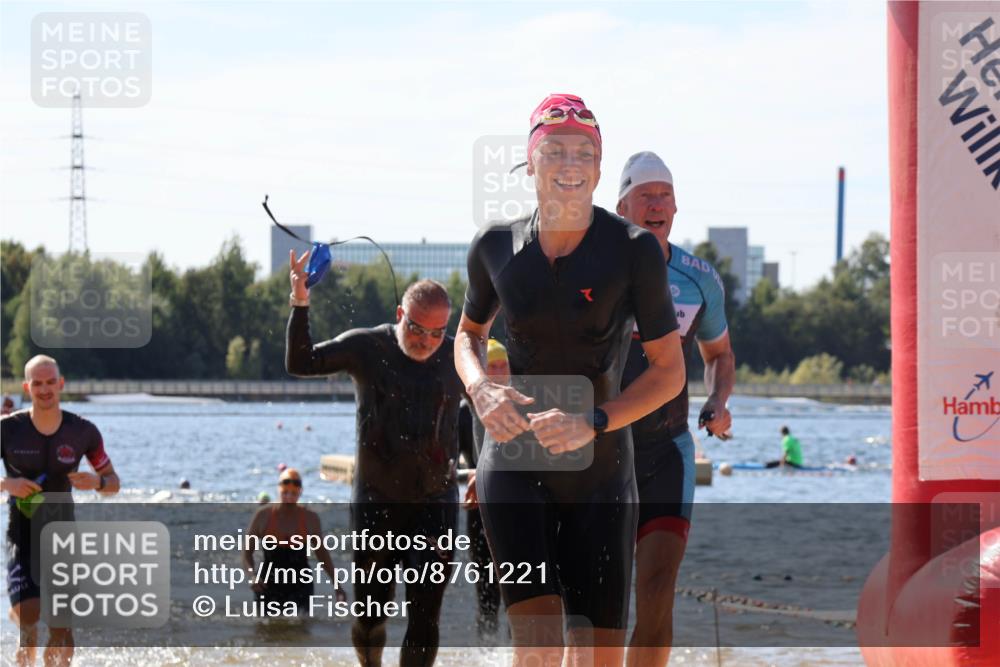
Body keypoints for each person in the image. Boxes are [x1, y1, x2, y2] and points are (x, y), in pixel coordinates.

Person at [455, 93, 686, 666]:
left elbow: (670, 373)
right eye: (554, 150)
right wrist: (481, 387)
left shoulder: (633, 253)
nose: (569, 163)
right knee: (538, 649)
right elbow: (467, 336)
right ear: (530, 162)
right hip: (514, 464)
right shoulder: (495, 246)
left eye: (584, 151)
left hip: (601, 471)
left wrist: (595, 421)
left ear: (600, 167)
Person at [286, 273, 465, 667]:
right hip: (376, 503)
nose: (426, 342)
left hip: (435, 504)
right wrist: (300, 302)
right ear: (401, 314)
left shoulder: (458, 357)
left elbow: (493, 411)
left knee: (424, 618)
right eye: (417, 329)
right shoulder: (368, 347)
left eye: (437, 333)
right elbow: (300, 362)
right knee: (370, 616)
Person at [615, 151, 736, 666]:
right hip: (601, 451)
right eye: (646, 194)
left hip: (667, 450)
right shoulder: (589, 269)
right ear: (622, 207)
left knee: (658, 590)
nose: (657, 203)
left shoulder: (698, 277)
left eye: (665, 194)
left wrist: (717, 399)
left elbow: (720, 354)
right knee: (595, 595)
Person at [1, 355, 121, 667]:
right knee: (28, 619)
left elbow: (114, 483)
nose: (44, 389)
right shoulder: (7, 430)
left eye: (50, 382)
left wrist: (97, 481)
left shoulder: (83, 432)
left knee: (61, 628)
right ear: (27, 387)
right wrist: (6, 485)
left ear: (61, 384)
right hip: (22, 532)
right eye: (37, 383)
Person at [458, 338, 509, 639]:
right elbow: (453, 454)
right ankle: (485, 652)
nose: (500, 372)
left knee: (525, 590)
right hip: (478, 506)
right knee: (487, 592)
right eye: (493, 366)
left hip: (517, 507)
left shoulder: (523, 403)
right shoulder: (465, 411)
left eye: (504, 365)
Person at [243, 467, 344, 610]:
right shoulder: (263, 516)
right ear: (278, 489)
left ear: (300, 492)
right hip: (268, 583)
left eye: (294, 491)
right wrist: (252, 575)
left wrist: (337, 586)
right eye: (285, 491)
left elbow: (322, 555)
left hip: (300, 585)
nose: (289, 496)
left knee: (300, 629)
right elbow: (246, 553)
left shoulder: (310, 519)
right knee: (264, 629)